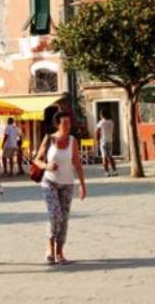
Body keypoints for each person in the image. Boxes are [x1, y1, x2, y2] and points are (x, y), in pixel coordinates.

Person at [34, 111, 86, 265]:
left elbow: (77, 163)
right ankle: (49, 246)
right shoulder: (49, 139)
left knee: (64, 219)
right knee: (55, 215)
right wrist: (47, 166)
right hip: (49, 182)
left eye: (69, 123)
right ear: (57, 124)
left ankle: (60, 252)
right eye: (65, 123)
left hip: (67, 184)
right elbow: (37, 160)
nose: (68, 126)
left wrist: (82, 184)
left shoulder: (72, 141)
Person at [96, 109, 118, 177]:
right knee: (110, 156)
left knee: (104, 157)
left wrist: (97, 140)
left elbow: (97, 131)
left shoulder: (101, 122)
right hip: (110, 141)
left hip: (103, 141)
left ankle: (107, 172)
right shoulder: (111, 122)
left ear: (102, 115)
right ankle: (114, 171)